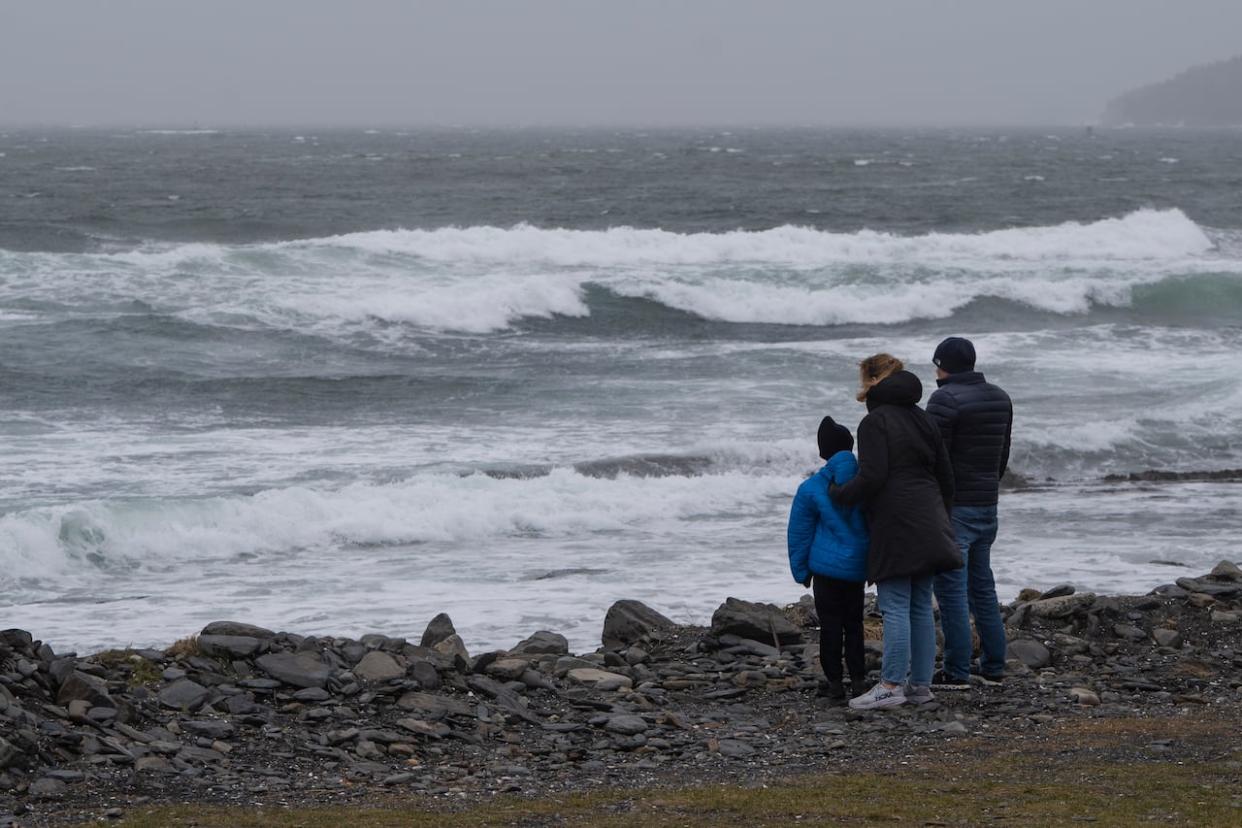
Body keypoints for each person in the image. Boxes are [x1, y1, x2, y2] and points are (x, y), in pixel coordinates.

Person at [830, 354, 961, 710]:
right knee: (920, 605)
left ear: (872, 381)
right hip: (930, 516)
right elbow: (946, 476)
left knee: (896, 605)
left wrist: (838, 494)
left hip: (897, 521)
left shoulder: (876, 422)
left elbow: (873, 477)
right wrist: (942, 518)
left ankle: (889, 686)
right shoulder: (923, 417)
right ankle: (920, 686)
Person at [926, 336, 1014, 688]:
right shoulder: (1000, 396)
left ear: (941, 364)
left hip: (955, 508)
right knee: (982, 589)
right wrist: (990, 486)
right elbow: (1003, 453)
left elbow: (933, 459)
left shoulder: (944, 398)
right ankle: (993, 664)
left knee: (951, 593)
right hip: (987, 504)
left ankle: (956, 671)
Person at [786, 416, 870, 702]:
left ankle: (835, 683)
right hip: (856, 568)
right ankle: (859, 679)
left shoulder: (811, 488)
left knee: (830, 626)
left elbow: (799, 533)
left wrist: (801, 571)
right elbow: (878, 524)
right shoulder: (867, 482)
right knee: (855, 624)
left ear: (824, 452)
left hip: (825, 570)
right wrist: (875, 565)